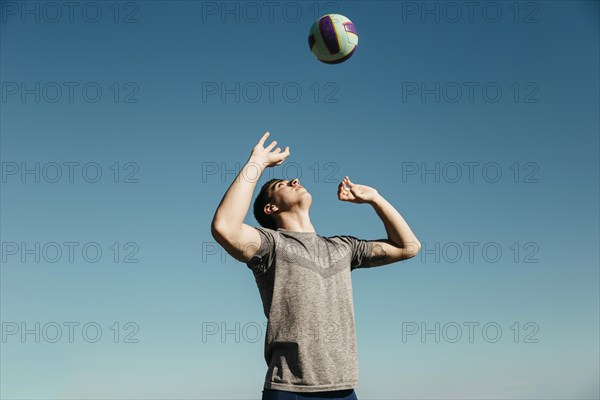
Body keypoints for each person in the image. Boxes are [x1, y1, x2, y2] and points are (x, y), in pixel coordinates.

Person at [211, 132, 421, 400]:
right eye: (283, 184)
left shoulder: (343, 247)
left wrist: (375, 199)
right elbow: (225, 227)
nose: (295, 180)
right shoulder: (270, 246)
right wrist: (258, 161)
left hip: (343, 389)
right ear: (270, 209)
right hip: (289, 389)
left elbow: (409, 247)